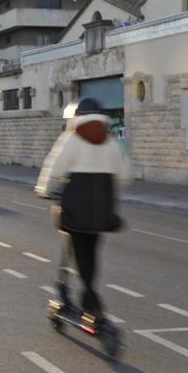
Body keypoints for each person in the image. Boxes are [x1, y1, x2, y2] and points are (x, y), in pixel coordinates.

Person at [35, 97, 129, 321]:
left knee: (78, 251)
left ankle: (90, 301)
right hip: (103, 213)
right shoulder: (110, 140)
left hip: (76, 211)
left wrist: (43, 189)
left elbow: (54, 168)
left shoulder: (72, 138)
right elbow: (124, 176)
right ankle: (90, 297)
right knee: (91, 253)